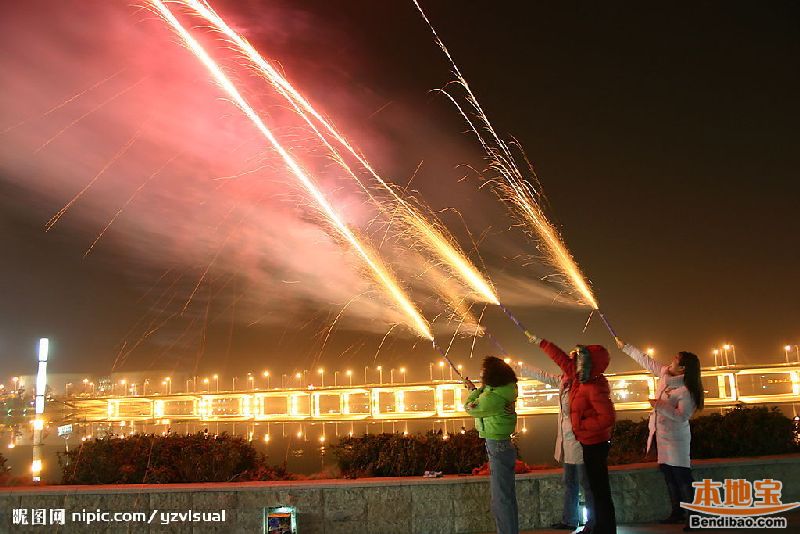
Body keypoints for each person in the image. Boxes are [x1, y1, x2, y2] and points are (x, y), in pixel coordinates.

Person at [616, 338, 704, 529]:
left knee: (682, 477)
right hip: (662, 437)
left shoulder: (686, 391)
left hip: (677, 440)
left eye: (675, 360)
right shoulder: (665, 375)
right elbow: (646, 360)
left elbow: (682, 417)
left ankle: (693, 516)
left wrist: (659, 405)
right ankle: (677, 512)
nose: (670, 362)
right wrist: (626, 348)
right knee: (669, 476)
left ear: (682, 369)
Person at [535, 338, 617, 534]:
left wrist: (581, 425)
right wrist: (541, 343)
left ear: (589, 363)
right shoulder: (581, 379)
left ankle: (601, 528)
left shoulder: (593, 386)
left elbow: (608, 417)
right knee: (596, 489)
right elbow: (562, 360)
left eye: (580, 358)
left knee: (598, 491)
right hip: (587, 442)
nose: (575, 361)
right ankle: (598, 527)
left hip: (593, 444)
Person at [518, 362, 595, 532]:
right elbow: (544, 376)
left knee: (586, 484)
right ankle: (570, 520)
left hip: (580, 441)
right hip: (567, 443)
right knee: (570, 482)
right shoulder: (563, 381)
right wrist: (522, 366)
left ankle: (593, 522)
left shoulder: (581, 386)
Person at [464, 356, 519, 534]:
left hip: (497, 445)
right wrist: (476, 388)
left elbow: (470, 407)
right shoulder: (504, 389)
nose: (481, 374)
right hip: (503, 444)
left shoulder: (494, 398)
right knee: (505, 495)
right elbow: (487, 392)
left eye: (484, 372)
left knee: (501, 498)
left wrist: (473, 392)